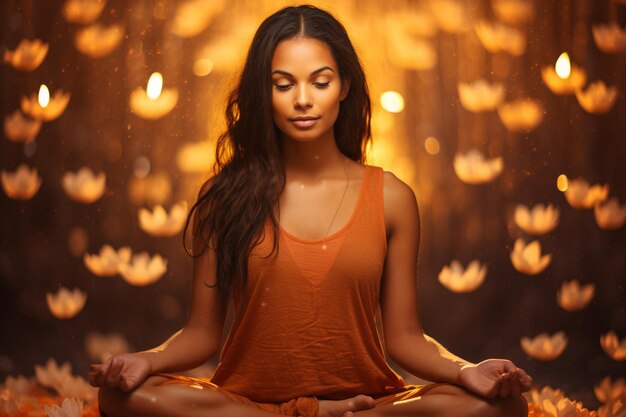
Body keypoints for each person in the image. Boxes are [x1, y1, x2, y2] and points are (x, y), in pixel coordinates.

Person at [89, 5, 532, 417]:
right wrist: (142, 360)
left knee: (501, 408)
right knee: (120, 394)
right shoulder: (224, 197)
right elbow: (201, 333)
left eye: (320, 82)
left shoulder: (392, 197)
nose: (303, 99)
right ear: (263, 93)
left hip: (368, 404)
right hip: (246, 403)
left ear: (344, 87)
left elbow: (404, 337)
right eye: (284, 84)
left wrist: (465, 369)